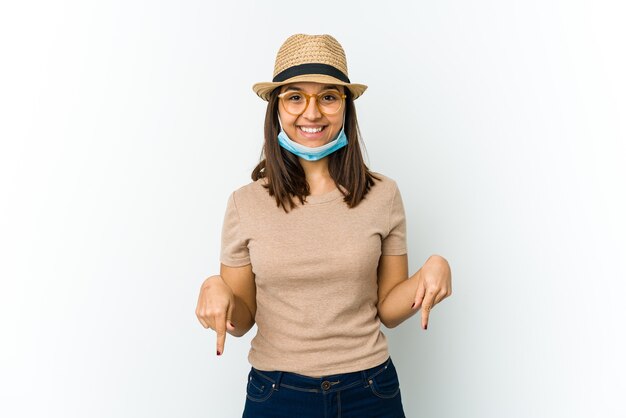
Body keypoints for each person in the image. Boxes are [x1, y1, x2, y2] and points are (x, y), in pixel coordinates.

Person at [195, 34, 452, 418]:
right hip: (277, 394)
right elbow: (241, 321)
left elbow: (389, 311)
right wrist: (214, 288)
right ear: (276, 109)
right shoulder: (244, 203)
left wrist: (432, 270)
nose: (311, 113)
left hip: (370, 390)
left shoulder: (383, 194)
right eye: (295, 96)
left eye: (328, 97)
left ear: (345, 107)